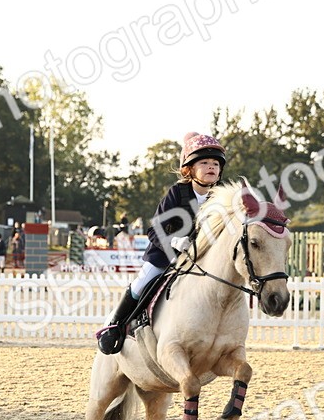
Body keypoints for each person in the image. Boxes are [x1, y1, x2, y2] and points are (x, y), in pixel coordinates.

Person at [95, 131, 226, 355]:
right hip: (166, 256)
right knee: (142, 281)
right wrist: (175, 241)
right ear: (189, 169)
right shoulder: (177, 192)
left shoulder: (222, 197)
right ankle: (114, 326)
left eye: (215, 163)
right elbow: (154, 230)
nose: (211, 166)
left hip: (201, 260)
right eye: (204, 162)